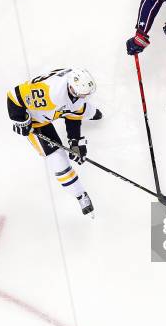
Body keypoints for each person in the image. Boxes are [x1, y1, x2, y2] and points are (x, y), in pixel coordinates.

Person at [7, 68, 102, 216]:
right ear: (71, 88)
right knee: (59, 161)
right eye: (83, 94)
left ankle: (92, 113)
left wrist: (74, 141)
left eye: (87, 94)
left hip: (56, 110)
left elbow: (73, 116)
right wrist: (19, 119)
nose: (85, 96)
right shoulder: (50, 93)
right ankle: (80, 195)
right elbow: (13, 96)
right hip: (38, 122)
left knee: (85, 110)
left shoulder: (76, 89)